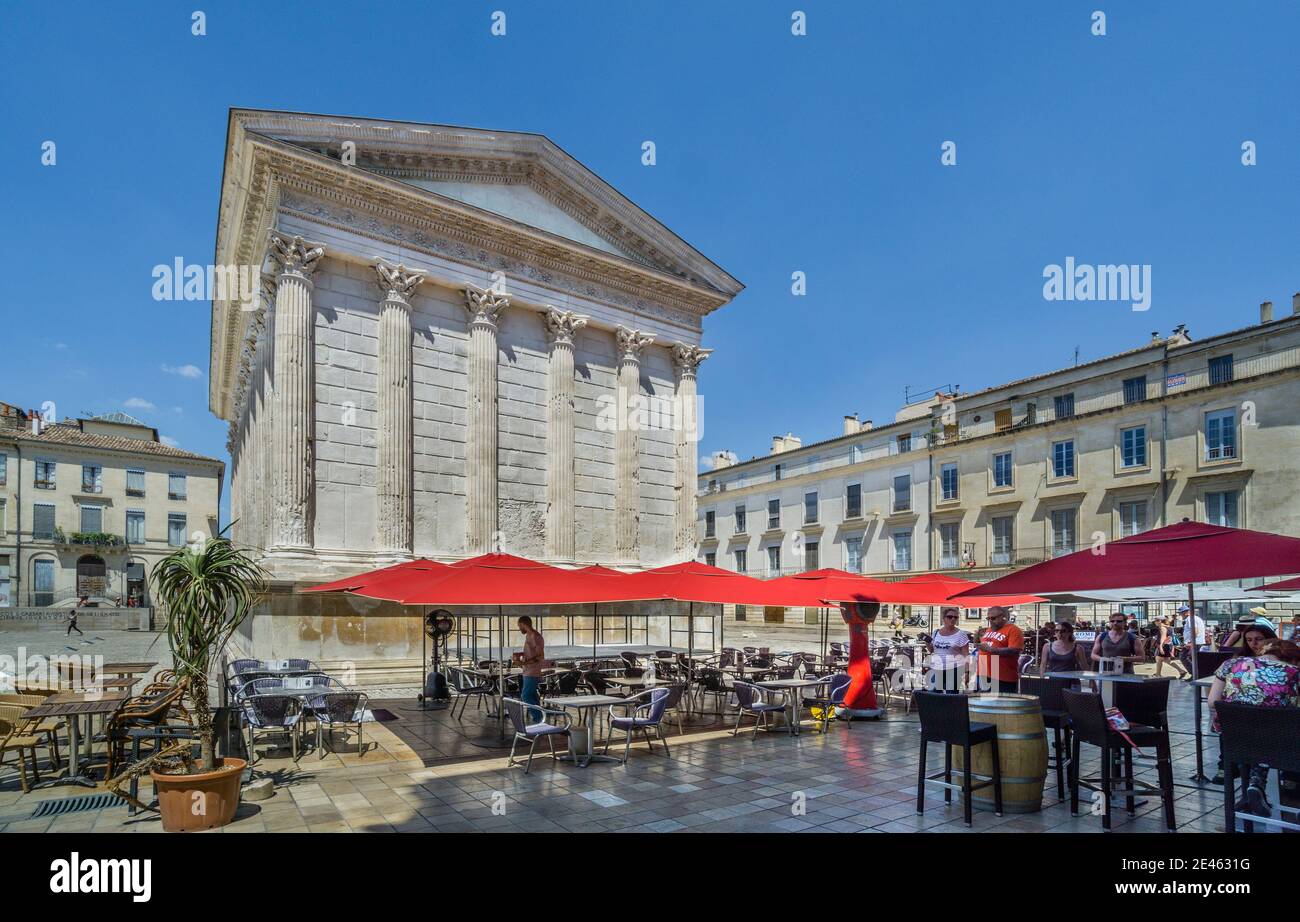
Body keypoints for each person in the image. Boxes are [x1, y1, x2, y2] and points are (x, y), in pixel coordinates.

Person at [1207, 636, 1300, 814]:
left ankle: (1256, 784)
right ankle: (1288, 793)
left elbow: (1213, 702)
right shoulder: (1293, 672)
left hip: (1235, 741)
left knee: (1260, 735)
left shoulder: (1229, 664)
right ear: (1293, 658)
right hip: (1282, 746)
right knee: (1276, 731)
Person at [976, 606, 1023, 694]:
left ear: (1003, 616)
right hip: (984, 674)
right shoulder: (989, 630)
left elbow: (1015, 650)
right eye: (988, 618)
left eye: (993, 618)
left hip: (1002, 676)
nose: (990, 621)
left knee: (1000, 705)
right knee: (985, 704)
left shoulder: (1013, 630)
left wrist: (992, 650)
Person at [927, 607, 970, 693]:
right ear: (943, 618)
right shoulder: (936, 632)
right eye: (950, 616)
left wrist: (967, 672)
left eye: (955, 617)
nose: (953, 619)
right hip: (937, 668)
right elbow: (932, 650)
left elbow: (966, 655)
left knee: (951, 697)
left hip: (953, 670)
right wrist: (927, 642)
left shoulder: (961, 634)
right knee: (932, 695)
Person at [511, 615, 545, 720]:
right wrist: (519, 654)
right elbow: (531, 653)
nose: (519, 628)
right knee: (533, 696)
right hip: (528, 671)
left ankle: (539, 719)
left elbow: (540, 656)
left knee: (526, 696)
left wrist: (523, 664)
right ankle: (539, 719)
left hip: (532, 671)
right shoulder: (528, 636)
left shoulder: (536, 636)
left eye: (519, 626)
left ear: (523, 624)